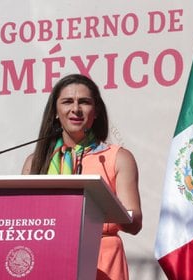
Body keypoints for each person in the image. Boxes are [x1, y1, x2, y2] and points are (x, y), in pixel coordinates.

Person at [22, 73, 142, 280]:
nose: (75, 109)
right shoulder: (36, 161)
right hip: (48, 255)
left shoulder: (118, 158)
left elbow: (135, 223)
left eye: (84, 102)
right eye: (67, 101)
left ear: (95, 112)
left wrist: (98, 210)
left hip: (102, 257)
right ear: (56, 113)